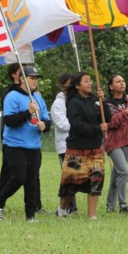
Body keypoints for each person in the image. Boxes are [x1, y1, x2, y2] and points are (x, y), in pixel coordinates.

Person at [0, 64, 49, 222]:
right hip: (15, 145)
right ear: (22, 79)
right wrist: (28, 112)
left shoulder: (38, 98)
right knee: (18, 178)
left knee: (32, 181)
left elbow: (46, 119)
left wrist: (45, 125)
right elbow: (10, 121)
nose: (35, 81)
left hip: (34, 146)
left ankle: (30, 215)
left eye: (37, 78)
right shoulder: (12, 96)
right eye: (32, 78)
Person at [57, 72, 107, 220]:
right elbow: (77, 126)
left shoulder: (95, 99)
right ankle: (62, 208)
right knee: (72, 183)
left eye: (91, 81)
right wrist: (99, 129)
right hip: (77, 149)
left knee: (96, 180)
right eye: (86, 81)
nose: (90, 83)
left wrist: (102, 102)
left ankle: (92, 216)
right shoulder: (73, 102)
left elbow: (107, 118)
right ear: (78, 85)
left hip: (95, 149)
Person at [104, 74, 128, 214]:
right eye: (118, 81)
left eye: (123, 81)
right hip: (113, 142)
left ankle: (110, 204)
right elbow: (113, 122)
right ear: (111, 86)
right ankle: (123, 205)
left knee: (117, 173)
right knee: (124, 171)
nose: (122, 83)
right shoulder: (107, 103)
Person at [50, 73, 76, 214]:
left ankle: (71, 206)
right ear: (62, 85)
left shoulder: (76, 101)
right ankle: (66, 206)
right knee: (69, 176)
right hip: (64, 145)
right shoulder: (58, 103)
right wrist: (78, 125)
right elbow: (62, 124)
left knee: (76, 175)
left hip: (78, 144)